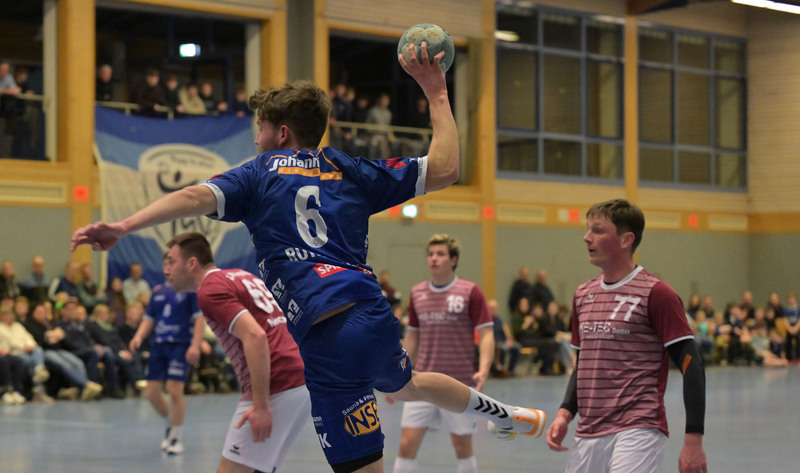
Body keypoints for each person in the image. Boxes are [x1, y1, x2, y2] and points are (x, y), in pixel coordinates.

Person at [71, 43, 545, 473]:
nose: (255, 140)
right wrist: (437, 93)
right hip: (371, 315)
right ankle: (507, 414)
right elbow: (446, 168)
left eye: (259, 130)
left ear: (281, 133)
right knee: (408, 385)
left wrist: (124, 226)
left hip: (327, 337)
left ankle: (505, 416)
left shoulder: (259, 173)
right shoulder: (350, 168)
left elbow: (194, 196)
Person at [545, 199, 707, 473]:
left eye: (598, 230)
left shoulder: (657, 293)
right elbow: (583, 365)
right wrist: (565, 412)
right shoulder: (583, 294)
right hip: (589, 430)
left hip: (639, 426)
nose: (587, 237)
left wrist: (694, 439)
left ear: (626, 239)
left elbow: (692, 365)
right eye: (588, 229)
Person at [162, 232, 309, 473]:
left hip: (276, 383)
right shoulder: (240, 276)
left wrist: (260, 405)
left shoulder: (209, 290)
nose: (166, 270)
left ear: (192, 263)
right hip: (300, 378)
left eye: (171, 262)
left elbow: (256, 336)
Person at [393, 234, 495, 473]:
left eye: (440, 254)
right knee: (407, 445)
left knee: (462, 446)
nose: (433, 259)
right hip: (421, 381)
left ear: (454, 260)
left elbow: (487, 334)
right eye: (430, 254)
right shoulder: (417, 293)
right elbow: (412, 337)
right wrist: (397, 372)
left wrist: (484, 369)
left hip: (459, 382)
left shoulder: (470, 292)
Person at [129, 277, 204, 455]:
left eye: (172, 263)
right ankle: (170, 424)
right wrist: (138, 336)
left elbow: (199, 318)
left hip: (180, 344)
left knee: (174, 389)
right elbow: (149, 318)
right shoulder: (158, 292)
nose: (168, 268)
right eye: (165, 264)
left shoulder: (189, 291)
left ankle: (176, 437)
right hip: (158, 345)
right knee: (152, 393)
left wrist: (196, 345)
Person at [23, 302, 104, 401]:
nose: (41, 314)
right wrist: (50, 337)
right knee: (62, 363)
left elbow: (58, 336)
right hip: (44, 352)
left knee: (77, 362)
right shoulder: (29, 325)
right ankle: (84, 385)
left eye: (43, 312)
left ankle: (84, 387)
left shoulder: (47, 324)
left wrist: (53, 336)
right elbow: (40, 339)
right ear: (33, 313)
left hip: (58, 350)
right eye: (39, 312)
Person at [58, 297, 123, 399]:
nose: (72, 311)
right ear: (63, 311)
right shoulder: (60, 325)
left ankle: (114, 388)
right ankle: (94, 388)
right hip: (71, 353)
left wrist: (94, 345)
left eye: (74, 309)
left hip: (87, 350)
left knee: (107, 351)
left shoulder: (80, 324)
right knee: (94, 353)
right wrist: (90, 348)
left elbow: (88, 338)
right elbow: (69, 343)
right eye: (70, 309)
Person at [0, 302, 53, 403]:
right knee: (31, 362)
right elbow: (10, 343)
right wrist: (24, 347)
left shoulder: (17, 326)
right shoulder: (1, 328)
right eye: (4, 315)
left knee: (38, 349)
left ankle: (40, 368)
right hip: (15, 352)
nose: (7, 317)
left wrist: (30, 345)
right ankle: (38, 390)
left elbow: (28, 337)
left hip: (27, 350)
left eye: (9, 314)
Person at [488, 299, 521, 377]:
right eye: (492, 308)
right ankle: (500, 371)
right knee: (503, 348)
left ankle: (510, 370)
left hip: (502, 341)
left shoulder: (498, 320)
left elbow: (503, 333)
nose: (494, 310)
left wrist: (508, 340)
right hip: (494, 342)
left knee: (517, 347)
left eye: (495, 308)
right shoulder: (486, 319)